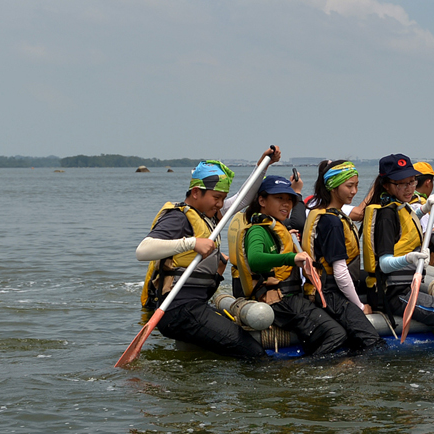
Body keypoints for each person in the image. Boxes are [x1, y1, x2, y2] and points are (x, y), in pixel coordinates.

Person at [134, 151, 277, 359]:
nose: (220, 204)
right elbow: (143, 250)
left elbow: (244, 198)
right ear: (195, 193)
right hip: (180, 310)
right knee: (254, 353)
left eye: (223, 199)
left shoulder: (210, 215)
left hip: (195, 305)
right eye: (216, 198)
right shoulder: (178, 217)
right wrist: (192, 243)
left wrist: (262, 167)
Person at [359, 153, 434, 344]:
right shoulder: (386, 215)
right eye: (402, 184)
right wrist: (410, 258)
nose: (409, 188)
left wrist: (426, 208)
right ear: (386, 184)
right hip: (393, 294)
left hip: (405, 287)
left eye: (412, 182)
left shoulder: (398, 206)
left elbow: (407, 222)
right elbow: (384, 264)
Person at [232, 174, 347, 356]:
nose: (286, 204)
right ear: (262, 200)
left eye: (289, 200)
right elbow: (254, 259)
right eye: (279, 199)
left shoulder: (278, 228)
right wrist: (291, 258)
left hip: (291, 298)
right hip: (279, 301)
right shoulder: (257, 230)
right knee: (335, 334)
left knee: (333, 327)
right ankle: (311, 371)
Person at [302, 160, 384, 352]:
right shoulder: (331, 222)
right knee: (374, 343)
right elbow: (339, 271)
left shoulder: (328, 213)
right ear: (332, 187)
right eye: (349, 186)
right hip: (330, 293)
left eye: (356, 185)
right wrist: (360, 306)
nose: (354, 191)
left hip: (328, 287)